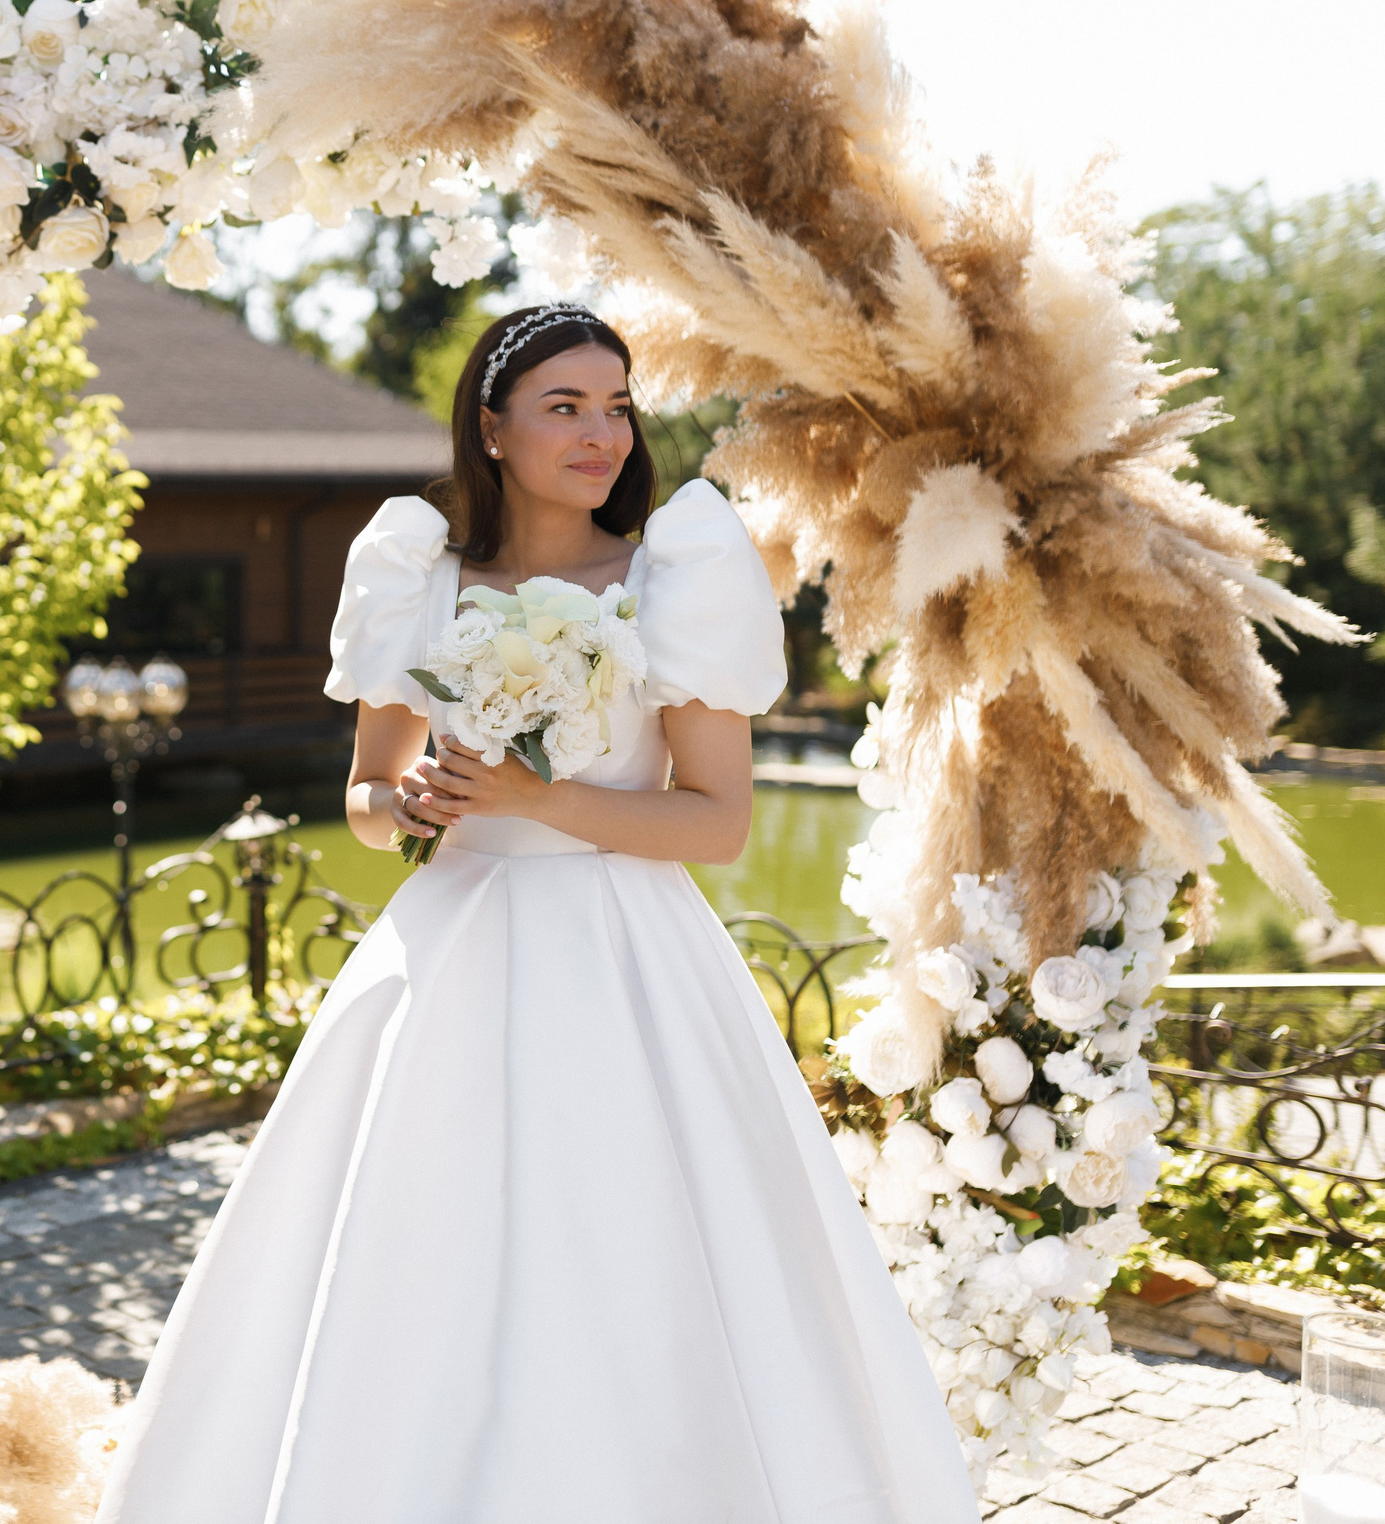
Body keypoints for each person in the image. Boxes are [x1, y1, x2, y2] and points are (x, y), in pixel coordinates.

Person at [96, 305, 978, 1521]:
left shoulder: (675, 574)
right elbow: (363, 800)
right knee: (417, 1256)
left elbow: (717, 823)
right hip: (445, 958)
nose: (600, 433)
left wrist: (538, 798)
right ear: (491, 428)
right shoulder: (417, 573)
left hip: (628, 967)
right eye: (564, 407)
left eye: (615, 407)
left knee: (632, 1256)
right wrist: (409, 805)